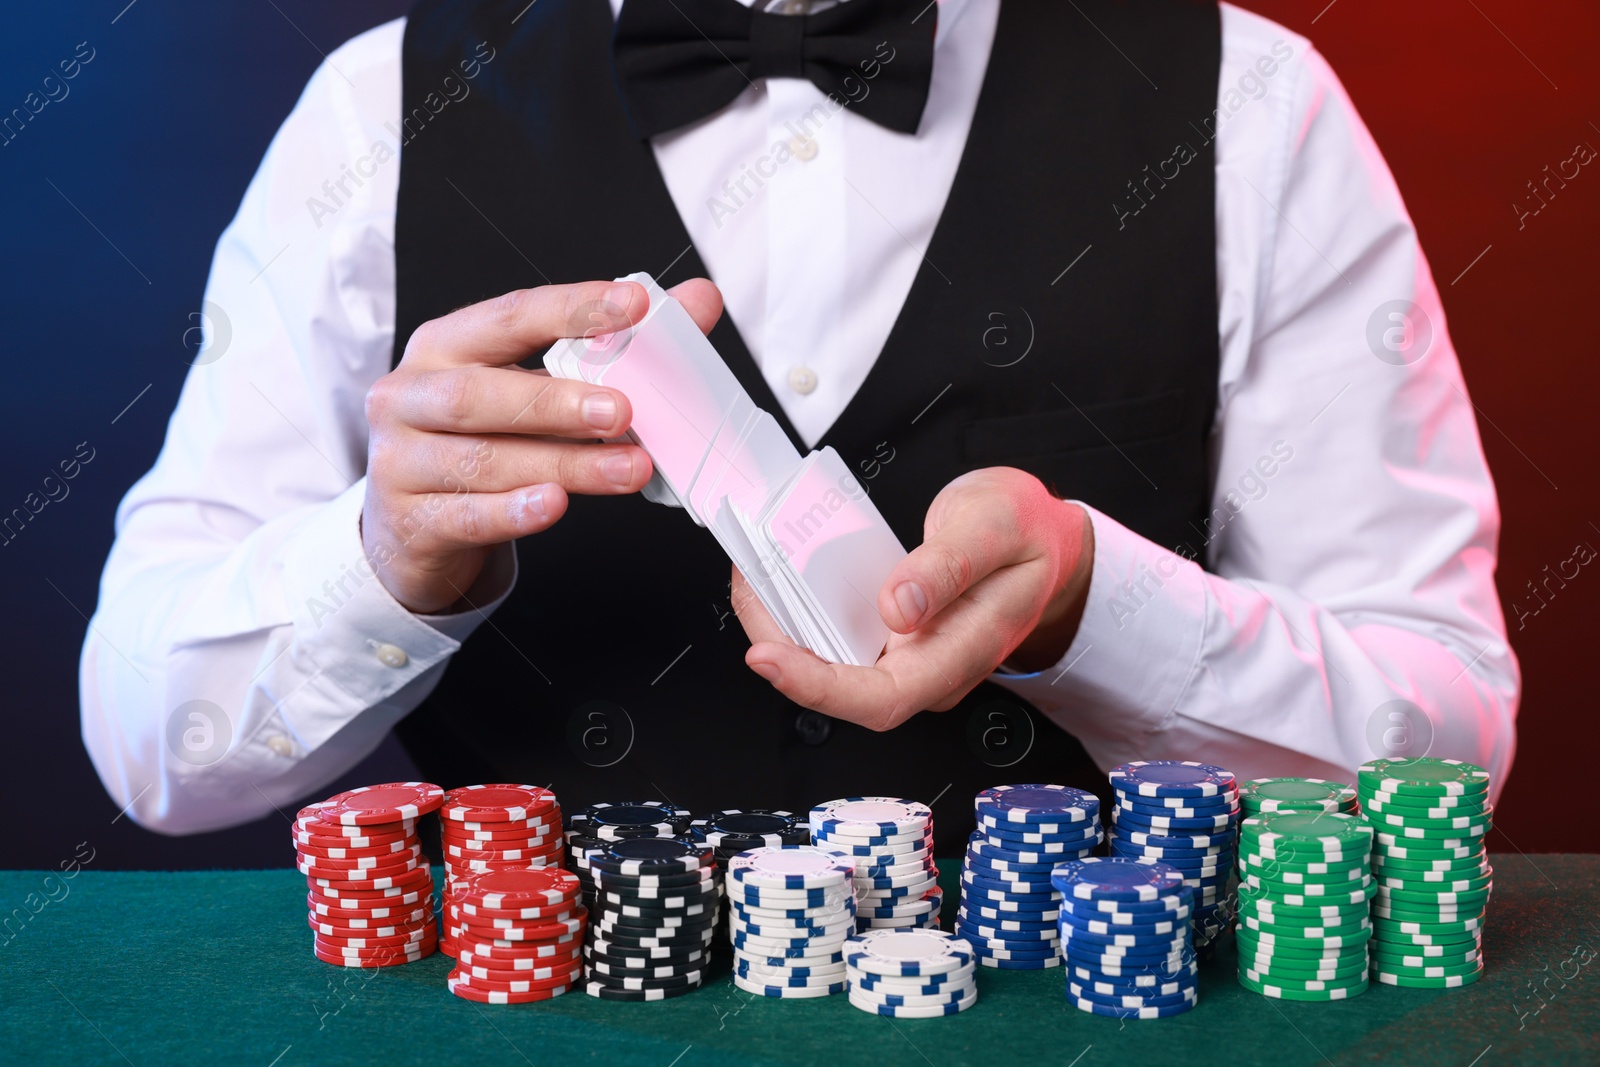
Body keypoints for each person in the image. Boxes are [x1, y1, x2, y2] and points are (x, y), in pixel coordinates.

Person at [80, 0, 1518, 846]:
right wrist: (386, 562)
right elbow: (156, 750)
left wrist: (1097, 604)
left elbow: (1448, 742)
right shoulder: (373, 117)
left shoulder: (1252, 101)